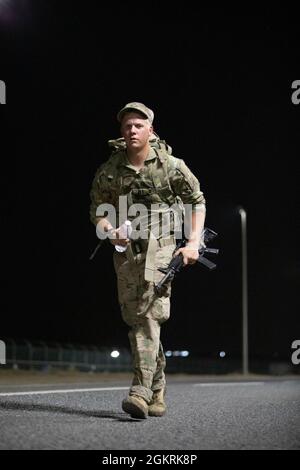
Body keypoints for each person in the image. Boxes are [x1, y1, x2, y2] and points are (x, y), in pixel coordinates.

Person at [89, 102, 206, 419]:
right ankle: (157, 390)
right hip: (125, 254)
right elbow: (98, 209)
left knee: (148, 313)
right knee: (138, 318)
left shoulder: (170, 165)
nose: (131, 130)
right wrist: (109, 231)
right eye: (126, 125)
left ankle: (139, 391)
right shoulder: (111, 170)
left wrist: (193, 242)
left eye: (138, 124)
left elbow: (196, 200)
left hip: (162, 250)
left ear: (150, 129)